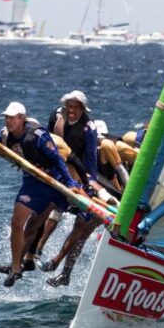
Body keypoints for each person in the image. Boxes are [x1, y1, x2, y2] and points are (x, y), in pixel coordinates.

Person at [0, 101, 81, 288]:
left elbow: (57, 159)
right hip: (32, 182)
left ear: (22, 119)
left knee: (36, 224)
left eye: (12, 118)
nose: (8, 121)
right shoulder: (6, 134)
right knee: (17, 222)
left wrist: (71, 183)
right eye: (6, 117)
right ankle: (16, 268)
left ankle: (41, 264)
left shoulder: (38, 135)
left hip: (53, 181)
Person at [36, 90, 105, 287]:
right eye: (69, 107)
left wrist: (90, 186)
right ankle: (37, 249)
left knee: (82, 228)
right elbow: (47, 140)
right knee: (54, 206)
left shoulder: (91, 131)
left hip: (89, 182)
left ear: (83, 109)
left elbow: (91, 163)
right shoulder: (58, 116)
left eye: (76, 107)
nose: (72, 111)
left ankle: (61, 269)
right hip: (69, 173)